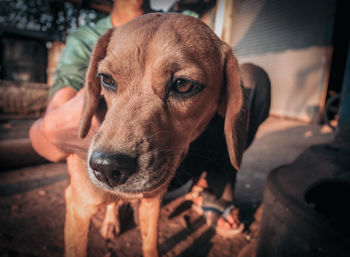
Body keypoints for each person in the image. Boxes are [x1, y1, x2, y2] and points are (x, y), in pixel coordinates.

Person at [30, 0, 270, 237]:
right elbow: (46, 139)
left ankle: (211, 187)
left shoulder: (189, 23)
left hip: (183, 155)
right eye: (108, 80)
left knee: (253, 78)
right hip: (99, 155)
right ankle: (117, 202)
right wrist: (53, 128)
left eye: (182, 85)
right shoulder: (85, 38)